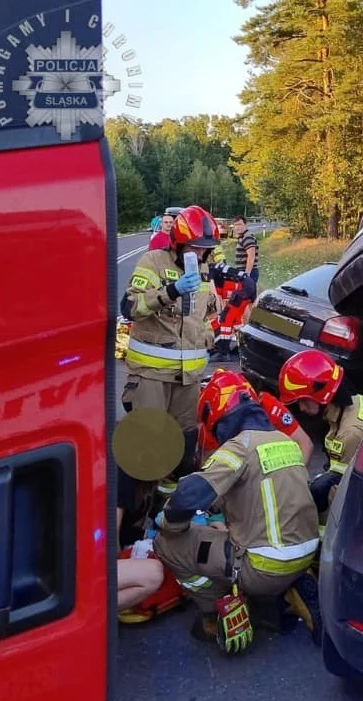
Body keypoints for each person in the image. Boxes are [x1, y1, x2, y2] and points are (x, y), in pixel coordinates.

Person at [152, 370, 322, 651]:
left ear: (217, 415)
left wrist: (170, 525)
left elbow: (187, 497)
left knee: (166, 544)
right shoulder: (284, 442)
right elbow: (260, 497)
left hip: (263, 568)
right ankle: (284, 588)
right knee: (222, 534)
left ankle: (214, 611)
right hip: (304, 554)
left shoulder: (239, 447)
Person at [116, 205, 221, 548]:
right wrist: (170, 293)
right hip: (151, 377)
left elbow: (209, 313)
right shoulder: (153, 263)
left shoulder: (204, 270)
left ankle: (163, 522)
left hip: (188, 381)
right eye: (196, 247)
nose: (201, 253)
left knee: (182, 454)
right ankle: (127, 532)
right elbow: (130, 308)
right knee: (145, 455)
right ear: (177, 243)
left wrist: (212, 332)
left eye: (206, 247)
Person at [277, 349, 363, 516]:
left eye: (303, 400)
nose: (301, 408)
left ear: (321, 393)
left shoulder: (350, 434)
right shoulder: (356, 402)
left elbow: (341, 492)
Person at [209, 216, 259, 361]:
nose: (236, 227)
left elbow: (216, 298)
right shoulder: (216, 268)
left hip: (243, 286)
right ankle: (240, 347)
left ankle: (223, 352)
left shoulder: (211, 270)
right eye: (234, 225)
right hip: (245, 284)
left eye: (239, 225)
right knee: (236, 319)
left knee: (226, 317)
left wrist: (219, 312)